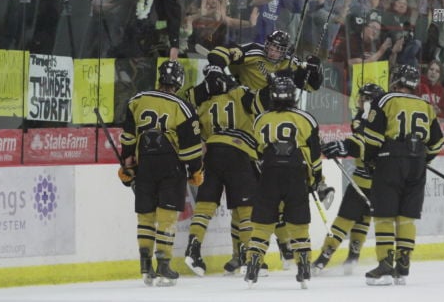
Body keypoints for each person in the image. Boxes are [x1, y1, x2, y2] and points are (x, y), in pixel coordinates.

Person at [119, 60, 204, 287]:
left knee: (145, 216)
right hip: (170, 167)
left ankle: (146, 265)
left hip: (145, 165)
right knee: (166, 216)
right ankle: (164, 263)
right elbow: (191, 150)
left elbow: (128, 139)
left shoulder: (137, 100)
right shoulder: (183, 107)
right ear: (179, 81)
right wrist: (196, 170)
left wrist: (127, 165)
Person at [361, 64, 444, 285]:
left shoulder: (385, 100)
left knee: (385, 214)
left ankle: (386, 264)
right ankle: (403, 264)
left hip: (390, 160)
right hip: (417, 163)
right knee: (407, 216)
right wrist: (420, 159)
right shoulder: (426, 105)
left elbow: (372, 137)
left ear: (396, 80)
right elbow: (437, 143)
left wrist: (369, 160)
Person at [182, 65, 265, 276]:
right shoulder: (239, 92)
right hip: (239, 151)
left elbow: (182, 103)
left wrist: (202, 89)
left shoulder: (201, 102)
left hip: (212, 154)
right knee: (245, 209)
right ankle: (248, 258)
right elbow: (263, 101)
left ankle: (193, 250)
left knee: (204, 205)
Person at [244, 73, 323, 288]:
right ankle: (304, 267)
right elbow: (315, 156)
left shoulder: (261, 119)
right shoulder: (306, 119)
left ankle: (252, 266)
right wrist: (316, 179)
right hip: (296, 175)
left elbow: (256, 153)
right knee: (298, 225)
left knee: (261, 225)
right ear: (293, 95)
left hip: (269, 175)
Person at [314, 83, 386, 275]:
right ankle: (354, 256)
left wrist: (342, 147)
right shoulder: (381, 118)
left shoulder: (368, 120)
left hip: (363, 181)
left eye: (365, 99)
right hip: (380, 182)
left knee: (344, 220)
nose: (360, 102)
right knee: (363, 218)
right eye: (360, 98)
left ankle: (323, 258)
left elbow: (360, 143)